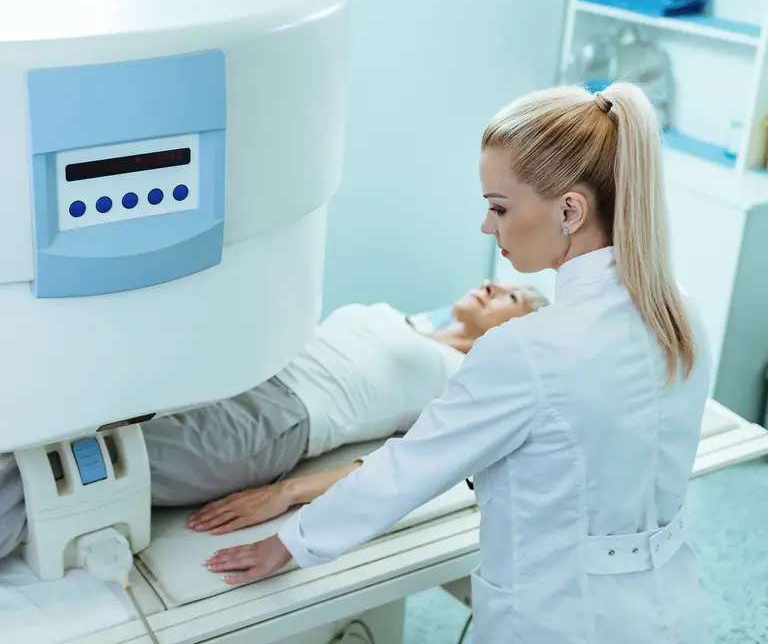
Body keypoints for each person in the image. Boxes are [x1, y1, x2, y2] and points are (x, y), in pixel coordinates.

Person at [0, 279, 546, 642]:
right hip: (226, 382)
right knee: (8, 450)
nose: (493, 286)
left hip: (266, 432)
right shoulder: (389, 310)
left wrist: (286, 494)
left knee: (41, 486)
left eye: (513, 296)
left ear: (519, 328)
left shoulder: (462, 379)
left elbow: (401, 466)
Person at [206, 82, 711, 644]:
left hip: (561, 619)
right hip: (668, 608)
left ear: (570, 209)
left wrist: (290, 542)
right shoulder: (681, 312)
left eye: (498, 208)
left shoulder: (531, 350)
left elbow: (409, 470)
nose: (487, 227)